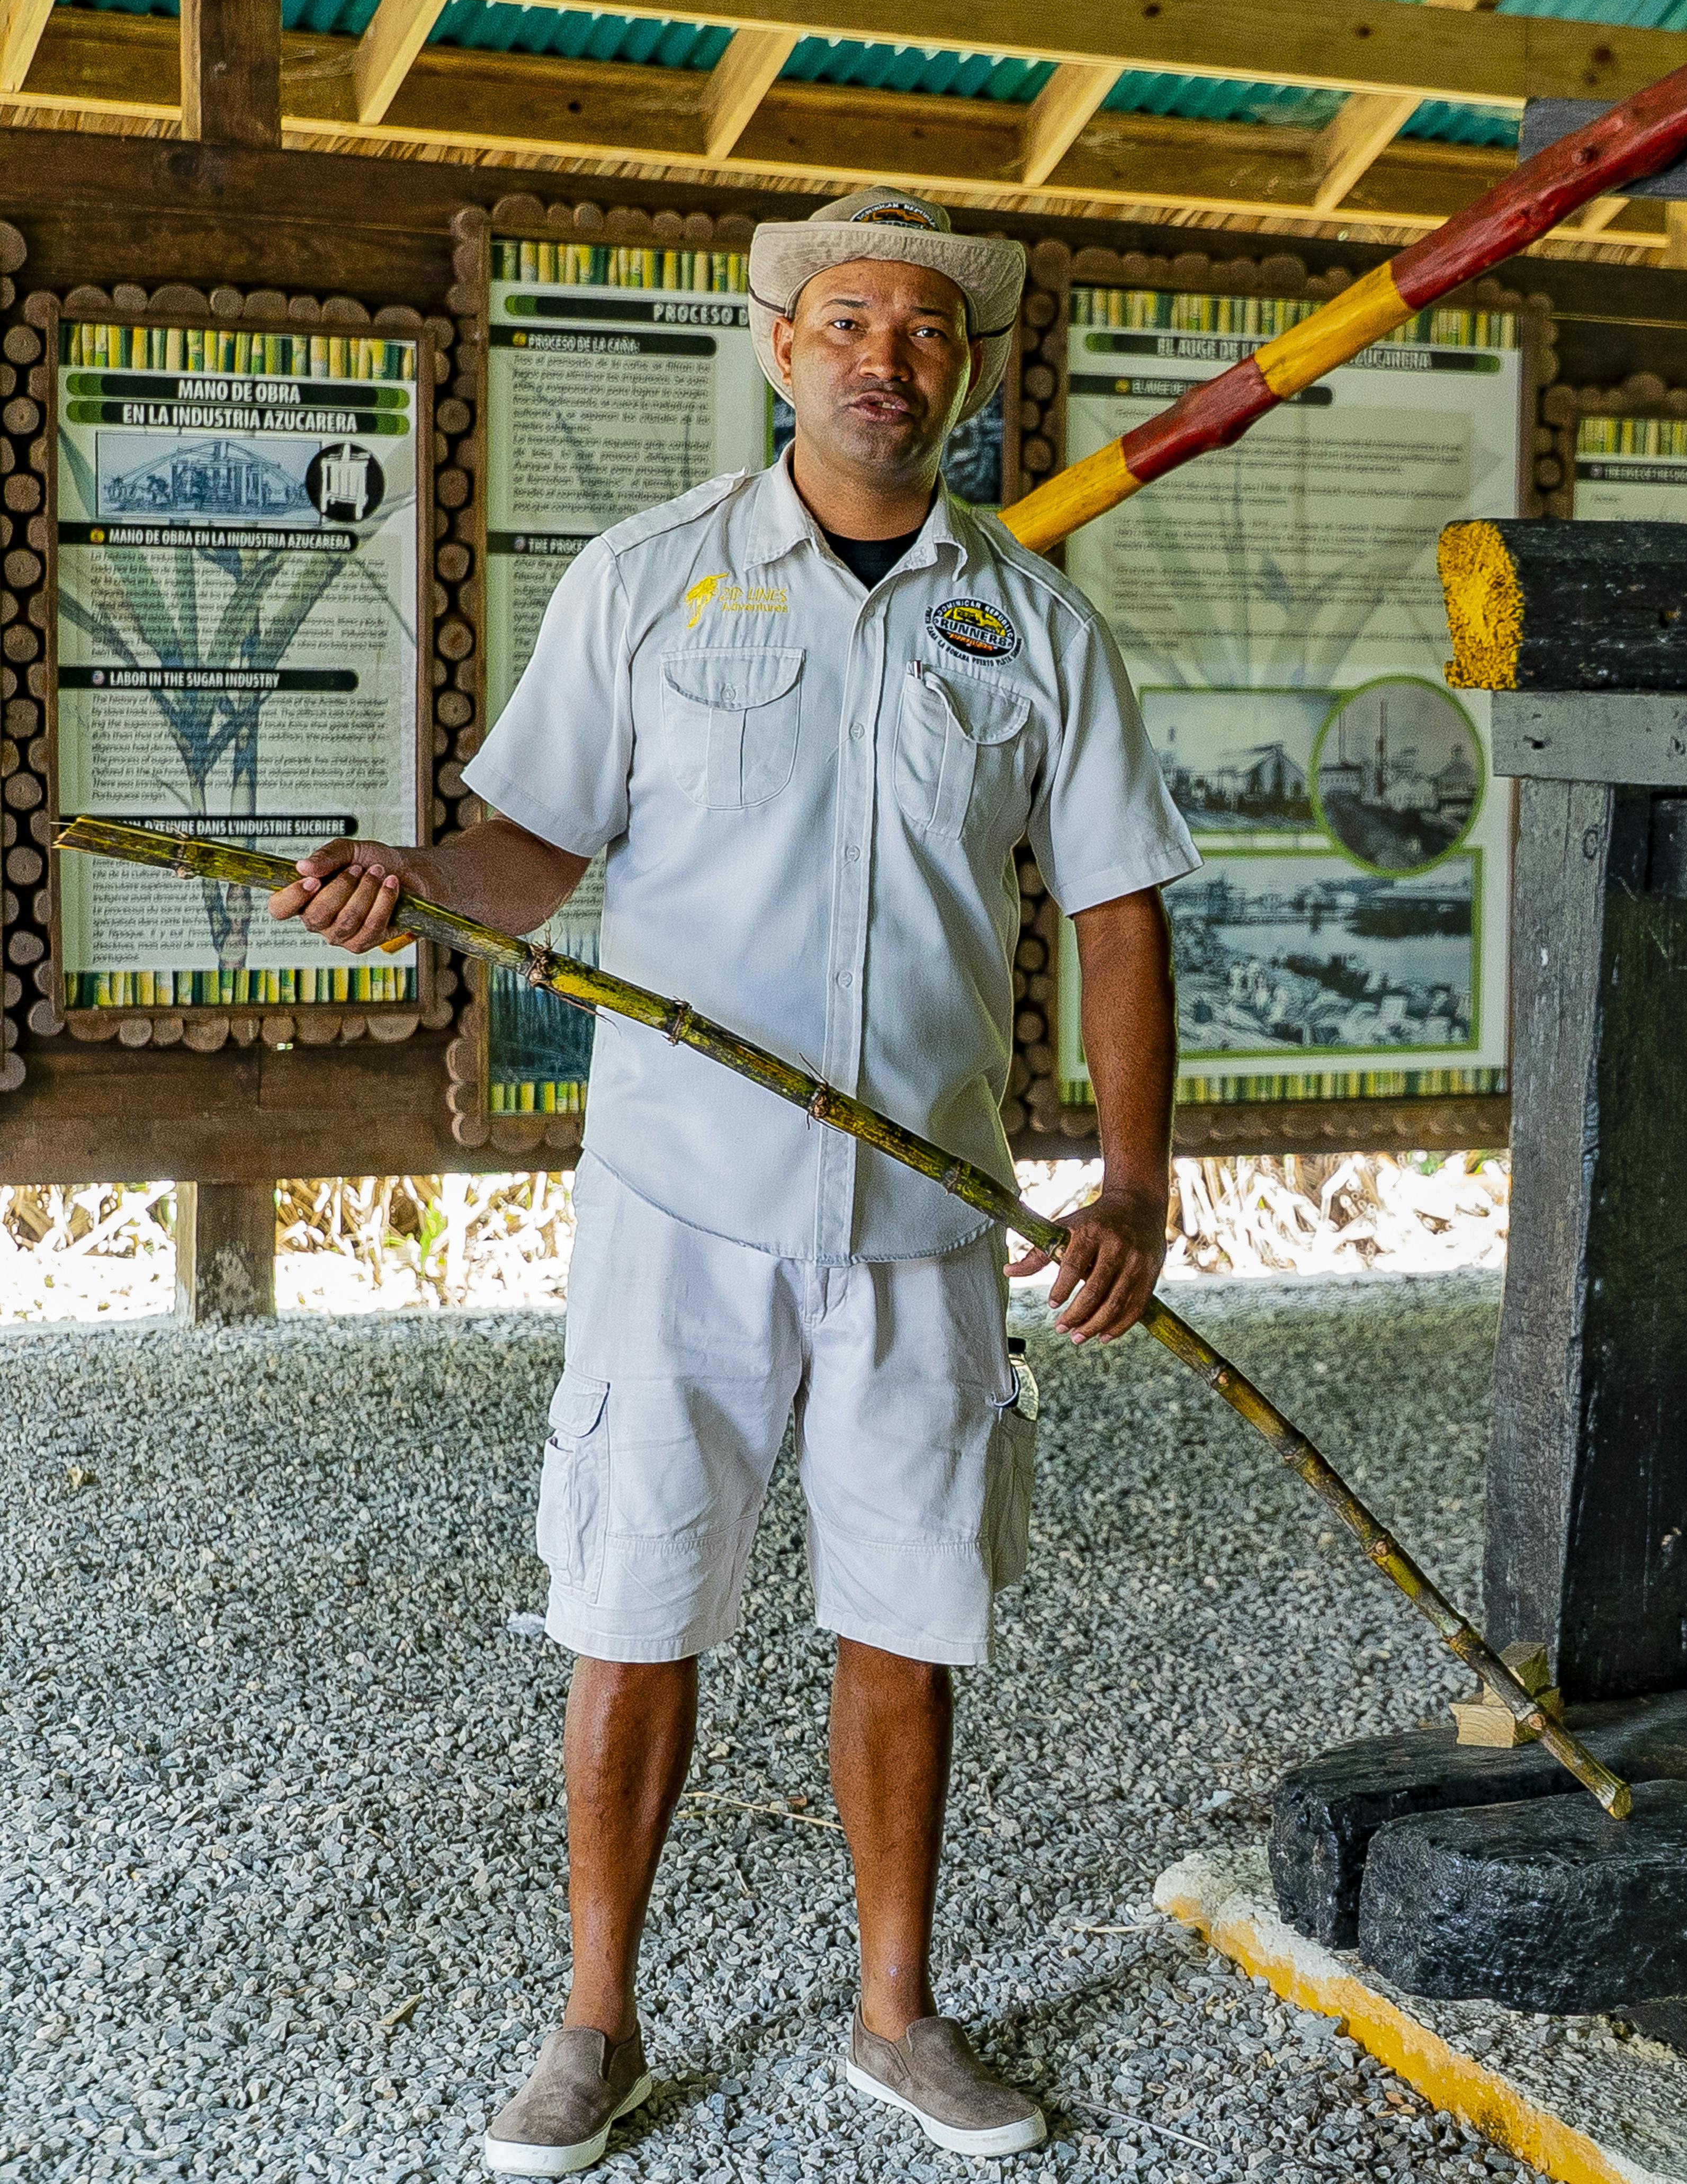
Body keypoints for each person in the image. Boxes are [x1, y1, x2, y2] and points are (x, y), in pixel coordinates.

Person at [264, 186, 1198, 2174]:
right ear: (780, 353)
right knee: (635, 1595)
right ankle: (593, 2024)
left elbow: (1117, 907)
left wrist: (1132, 1179)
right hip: (679, 1200)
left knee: (910, 1604)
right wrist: (402, 883)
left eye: (926, 329)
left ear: (963, 371)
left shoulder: (1028, 620)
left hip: (930, 1213)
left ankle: (895, 2015)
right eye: (847, 320)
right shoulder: (651, 581)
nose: (887, 357)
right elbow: (523, 860)